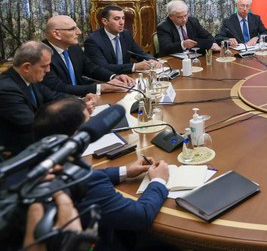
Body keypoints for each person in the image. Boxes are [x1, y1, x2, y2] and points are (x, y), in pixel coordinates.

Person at [33, 98, 170, 250]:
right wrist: (158, 180)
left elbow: (86, 174)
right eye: (89, 123)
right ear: (77, 134)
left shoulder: (38, 160)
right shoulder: (88, 181)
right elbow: (141, 216)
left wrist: (125, 171)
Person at [0, 41, 67, 155]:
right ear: (26, 67)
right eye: (44, 66)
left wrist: (81, 103)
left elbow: (54, 97)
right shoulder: (6, 89)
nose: (48, 70)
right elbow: (32, 124)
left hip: (37, 143)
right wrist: (72, 119)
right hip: (19, 154)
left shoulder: (29, 78)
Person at [42, 15, 135, 97]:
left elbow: (90, 68)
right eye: (72, 29)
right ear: (56, 34)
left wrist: (113, 77)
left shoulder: (73, 47)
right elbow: (60, 87)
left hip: (83, 99)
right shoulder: (42, 56)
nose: (79, 32)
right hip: (60, 104)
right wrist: (101, 88)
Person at [84, 5, 161, 74]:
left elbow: (140, 53)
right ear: (105, 21)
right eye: (116, 19)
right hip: (105, 80)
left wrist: (152, 60)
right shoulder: (93, 41)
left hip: (126, 77)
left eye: (123, 18)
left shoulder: (125, 34)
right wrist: (134, 66)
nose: (121, 22)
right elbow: (103, 67)